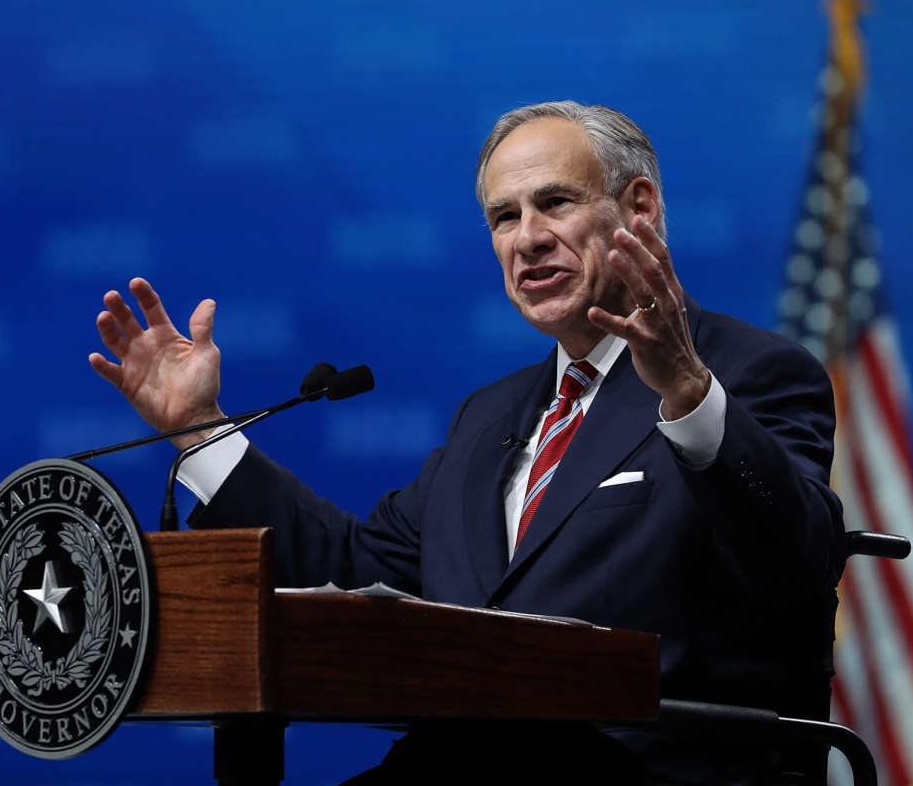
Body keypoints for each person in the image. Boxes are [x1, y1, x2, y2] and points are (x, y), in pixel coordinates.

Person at [90, 101, 845, 783]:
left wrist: (685, 392)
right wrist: (203, 431)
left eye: (554, 202)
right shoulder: (490, 416)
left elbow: (798, 560)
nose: (528, 239)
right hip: (459, 762)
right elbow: (357, 573)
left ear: (638, 208)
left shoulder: (749, 375)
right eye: (503, 217)